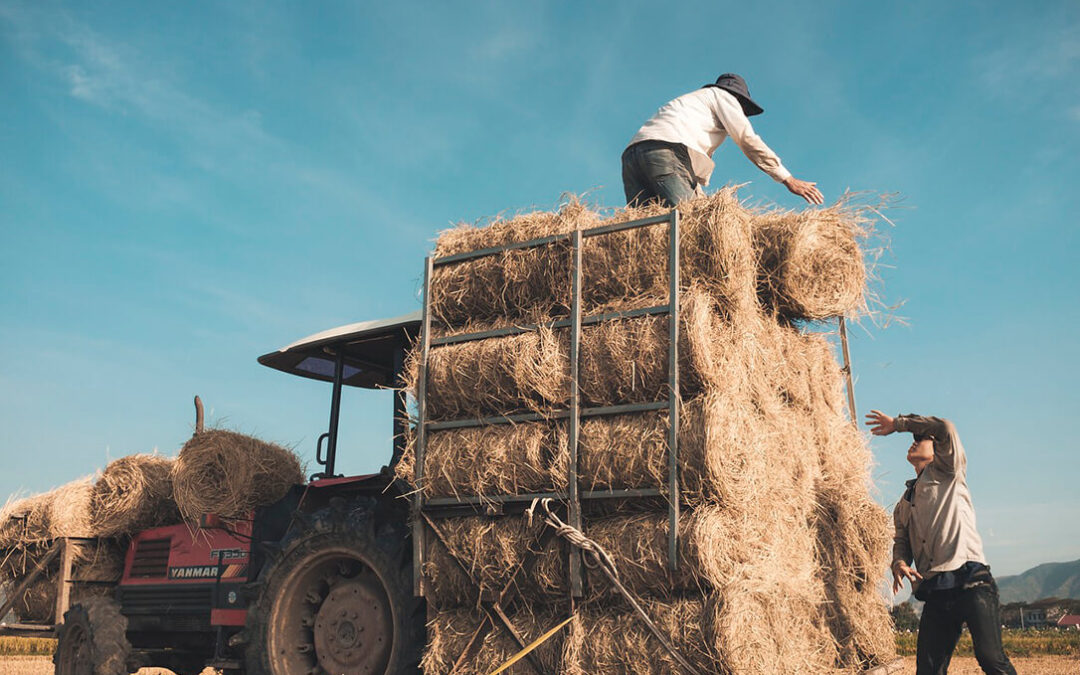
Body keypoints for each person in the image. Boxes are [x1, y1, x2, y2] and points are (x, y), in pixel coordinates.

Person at [865, 410, 1016, 675]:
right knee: (928, 670)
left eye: (922, 438)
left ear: (939, 449)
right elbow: (901, 541)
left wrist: (898, 424)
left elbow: (946, 427)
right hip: (936, 588)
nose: (914, 441)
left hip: (971, 581)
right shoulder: (903, 503)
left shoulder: (948, 470)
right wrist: (899, 562)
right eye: (914, 438)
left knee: (991, 658)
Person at [622, 73, 824, 207]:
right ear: (739, 100)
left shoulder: (694, 111)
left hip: (632, 157)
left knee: (644, 231)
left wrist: (702, 201)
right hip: (666, 151)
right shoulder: (724, 97)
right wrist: (787, 179)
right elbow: (748, 140)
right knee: (690, 226)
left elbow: (687, 171)